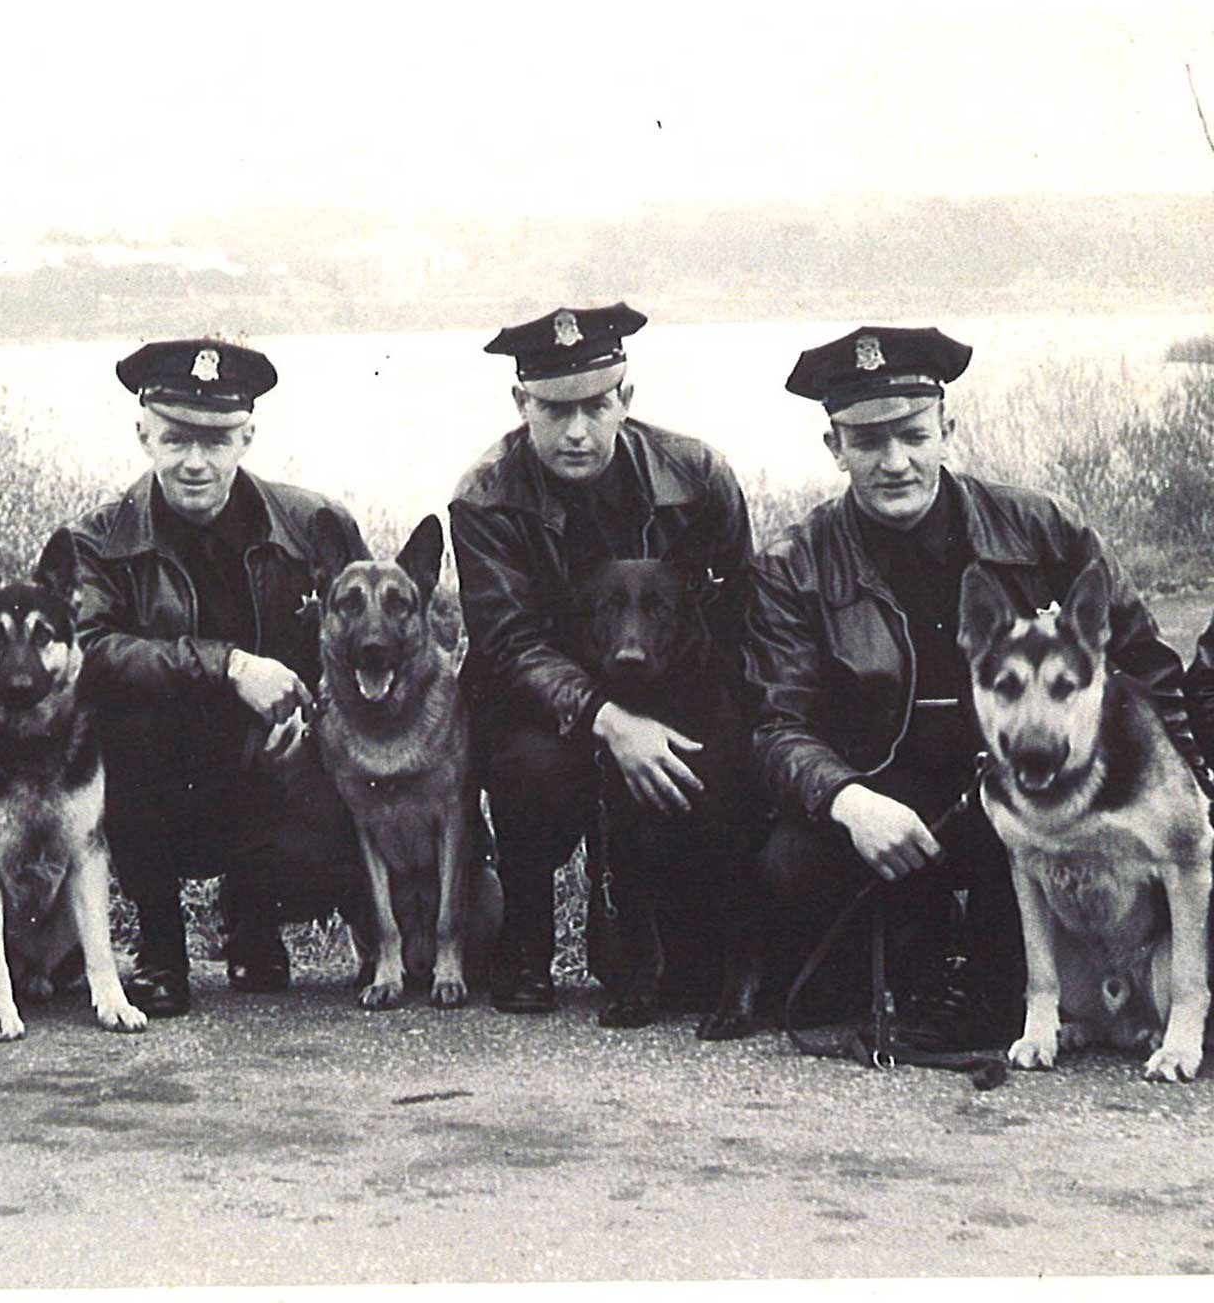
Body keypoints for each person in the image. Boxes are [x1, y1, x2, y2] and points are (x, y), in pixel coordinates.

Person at [744, 326, 1208, 1046]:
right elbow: (776, 726)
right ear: (834, 449)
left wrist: (1190, 787)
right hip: (882, 803)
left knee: (992, 1013)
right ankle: (897, 955)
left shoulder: (1043, 526)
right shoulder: (793, 564)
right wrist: (849, 800)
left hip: (1027, 801)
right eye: (867, 443)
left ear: (946, 429)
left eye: (912, 435)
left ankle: (988, 973)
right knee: (790, 872)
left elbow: (1145, 667)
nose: (894, 461)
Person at [449, 304, 753, 1012]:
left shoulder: (699, 476)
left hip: (673, 692)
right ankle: (527, 942)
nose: (576, 431)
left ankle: (650, 933)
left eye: (594, 405)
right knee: (535, 771)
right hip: (538, 705)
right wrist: (609, 722)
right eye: (554, 410)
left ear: (626, 398)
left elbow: (741, 614)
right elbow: (509, 643)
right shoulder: (486, 497)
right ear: (521, 403)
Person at [56, 339, 367, 1017]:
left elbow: (371, 645)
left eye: (218, 440)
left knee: (331, 838)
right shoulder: (96, 540)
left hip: (286, 761)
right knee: (126, 722)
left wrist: (314, 716)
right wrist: (228, 666)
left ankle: (257, 919)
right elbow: (89, 652)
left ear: (247, 436)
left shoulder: (316, 525)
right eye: (175, 439)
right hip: (163, 771)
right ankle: (163, 949)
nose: (195, 462)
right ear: (144, 434)